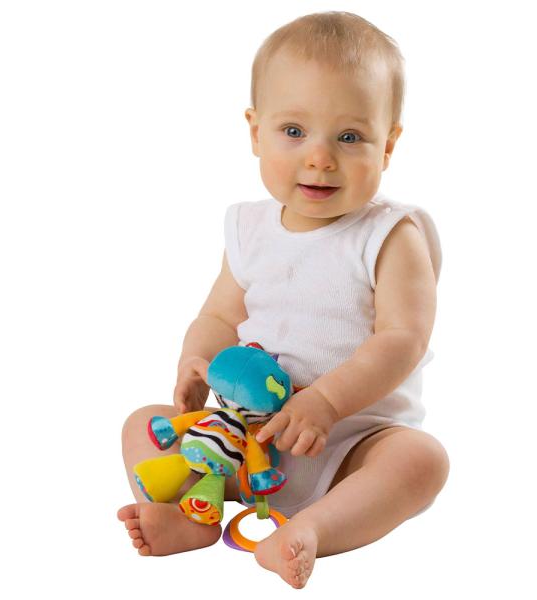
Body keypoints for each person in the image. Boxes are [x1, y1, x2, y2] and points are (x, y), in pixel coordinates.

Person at [117, 11, 450, 589]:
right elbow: (221, 314)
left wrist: (326, 403)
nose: (320, 157)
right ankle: (194, 513)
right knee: (143, 424)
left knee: (420, 460)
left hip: (349, 448)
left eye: (350, 137)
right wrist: (195, 361)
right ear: (255, 132)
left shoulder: (391, 235)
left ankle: (310, 530)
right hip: (242, 441)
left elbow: (404, 339)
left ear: (389, 144)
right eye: (294, 131)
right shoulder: (249, 229)